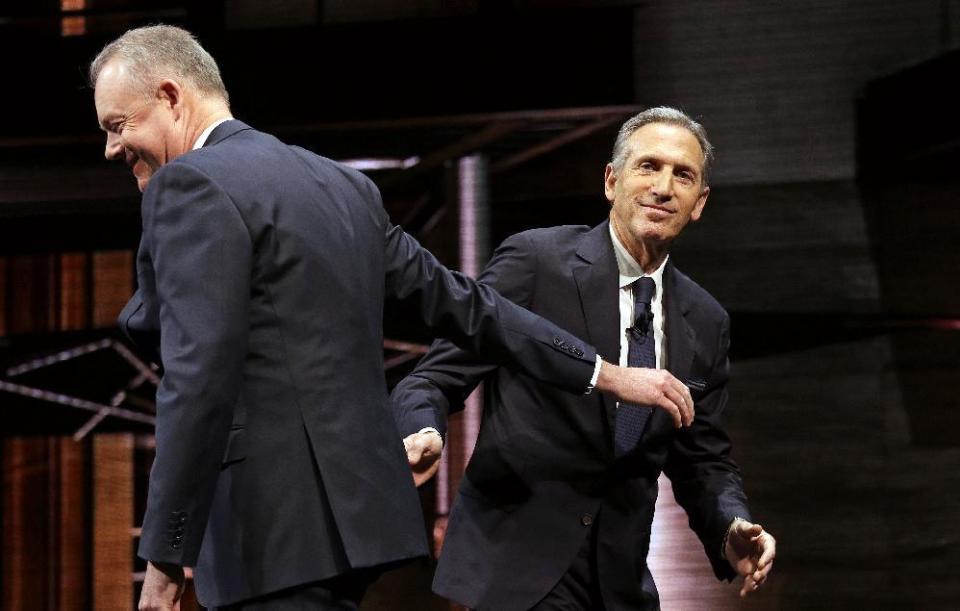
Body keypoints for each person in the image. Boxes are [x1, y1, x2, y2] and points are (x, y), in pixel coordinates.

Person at [90, 26, 686, 611]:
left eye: (119, 125)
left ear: (171, 95)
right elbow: (464, 303)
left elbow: (197, 379)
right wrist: (604, 372)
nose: (113, 148)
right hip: (356, 529)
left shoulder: (188, 184)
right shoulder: (341, 185)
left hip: (268, 530)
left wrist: (165, 558)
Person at [393, 107, 777, 610]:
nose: (663, 187)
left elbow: (702, 458)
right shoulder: (536, 263)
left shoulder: (706, 320)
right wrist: (424, 428)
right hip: (515, 568)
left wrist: (729, 525)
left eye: (682, 175)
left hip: (617, 584)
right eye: (648, 166)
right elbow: (435, 378)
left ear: (699, 202)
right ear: (612, 181)